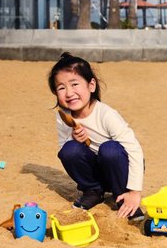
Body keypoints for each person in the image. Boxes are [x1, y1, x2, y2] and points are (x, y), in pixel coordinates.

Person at [47, 52, 145, 221]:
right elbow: (65, 150)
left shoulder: (106, 115)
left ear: (91, 85)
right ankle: (93, 191)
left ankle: (123, 195)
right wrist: (74, 139)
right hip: (98, 173)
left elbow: (134, 150)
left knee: (109, 149)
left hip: (121, 170)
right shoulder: (64, 116)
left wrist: (134, 191)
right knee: (69, 150)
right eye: (61, 88)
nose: (69, 93)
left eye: (74, 84)